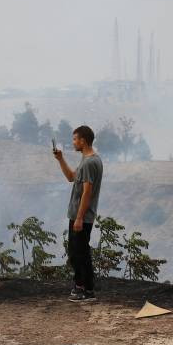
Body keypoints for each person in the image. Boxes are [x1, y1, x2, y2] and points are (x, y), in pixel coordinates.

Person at [53, 125, 103, 301]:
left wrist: (80, 217)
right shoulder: (88, 160)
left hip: (81, 216)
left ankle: (82, 288)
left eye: (75, 139)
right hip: (79, 215)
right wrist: (60, 159)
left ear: (83, 140)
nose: (73, 142)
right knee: (80, 251)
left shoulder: (89, 162)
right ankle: (87, 289)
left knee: (77, 253)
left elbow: (87, 192)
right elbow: (71, 177)